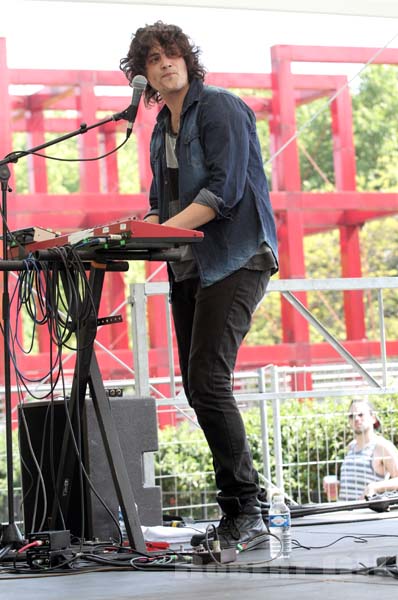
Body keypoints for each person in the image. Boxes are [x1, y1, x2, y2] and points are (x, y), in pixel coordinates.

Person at [120, 21, 278, 550]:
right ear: (141, 75)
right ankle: (240, 512)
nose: (165, 63)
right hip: (189, 264)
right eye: (153, 59)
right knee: (198, 384)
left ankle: (246, 515)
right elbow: (158, 205)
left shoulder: (221, 109)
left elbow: (224, 191)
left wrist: (159, 230)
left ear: (187, 60)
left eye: (173, 54)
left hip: (235, 256)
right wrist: (132, 233)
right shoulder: (161, 128)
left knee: (208, 380)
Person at [338, 399, 398, 501]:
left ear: (373, 418)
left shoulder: (382, 446)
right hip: (343, 515)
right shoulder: (351, 446)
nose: (356, 419)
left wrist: (375, 487)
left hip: (366, 515)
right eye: (351, 416)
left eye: (361, 414)